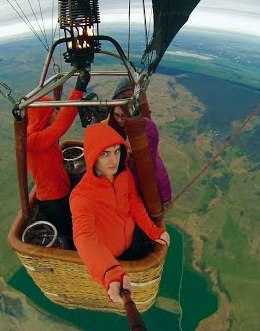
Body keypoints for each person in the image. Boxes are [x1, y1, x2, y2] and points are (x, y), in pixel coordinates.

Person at [70, 123, 170, 303]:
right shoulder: (81, 196)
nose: (114, 161)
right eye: (105, 154)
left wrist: (152, 231)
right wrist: (109, 272)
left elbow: (135, 204)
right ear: (92, 157)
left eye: (117, 151)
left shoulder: (123, 175)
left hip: (132, 240)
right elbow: (84, 237)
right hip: (111, 256)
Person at [27, 72, 90, 248]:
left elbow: (57, 122)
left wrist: (60, 95)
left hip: (61, 191)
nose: (56, 113)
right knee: (71, 233)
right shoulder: (32, 141)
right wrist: (78, 90)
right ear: (43, 119)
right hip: (53, 200)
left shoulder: (42, 138)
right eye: (52, 111)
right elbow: (62, 123)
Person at [108, 79, 173, 209]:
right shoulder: (115, 128)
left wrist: (165, 200)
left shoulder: (149, 164)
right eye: (116, 115)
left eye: (123, 116)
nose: (120, 120)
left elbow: (160, 179)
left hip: (141, 197)